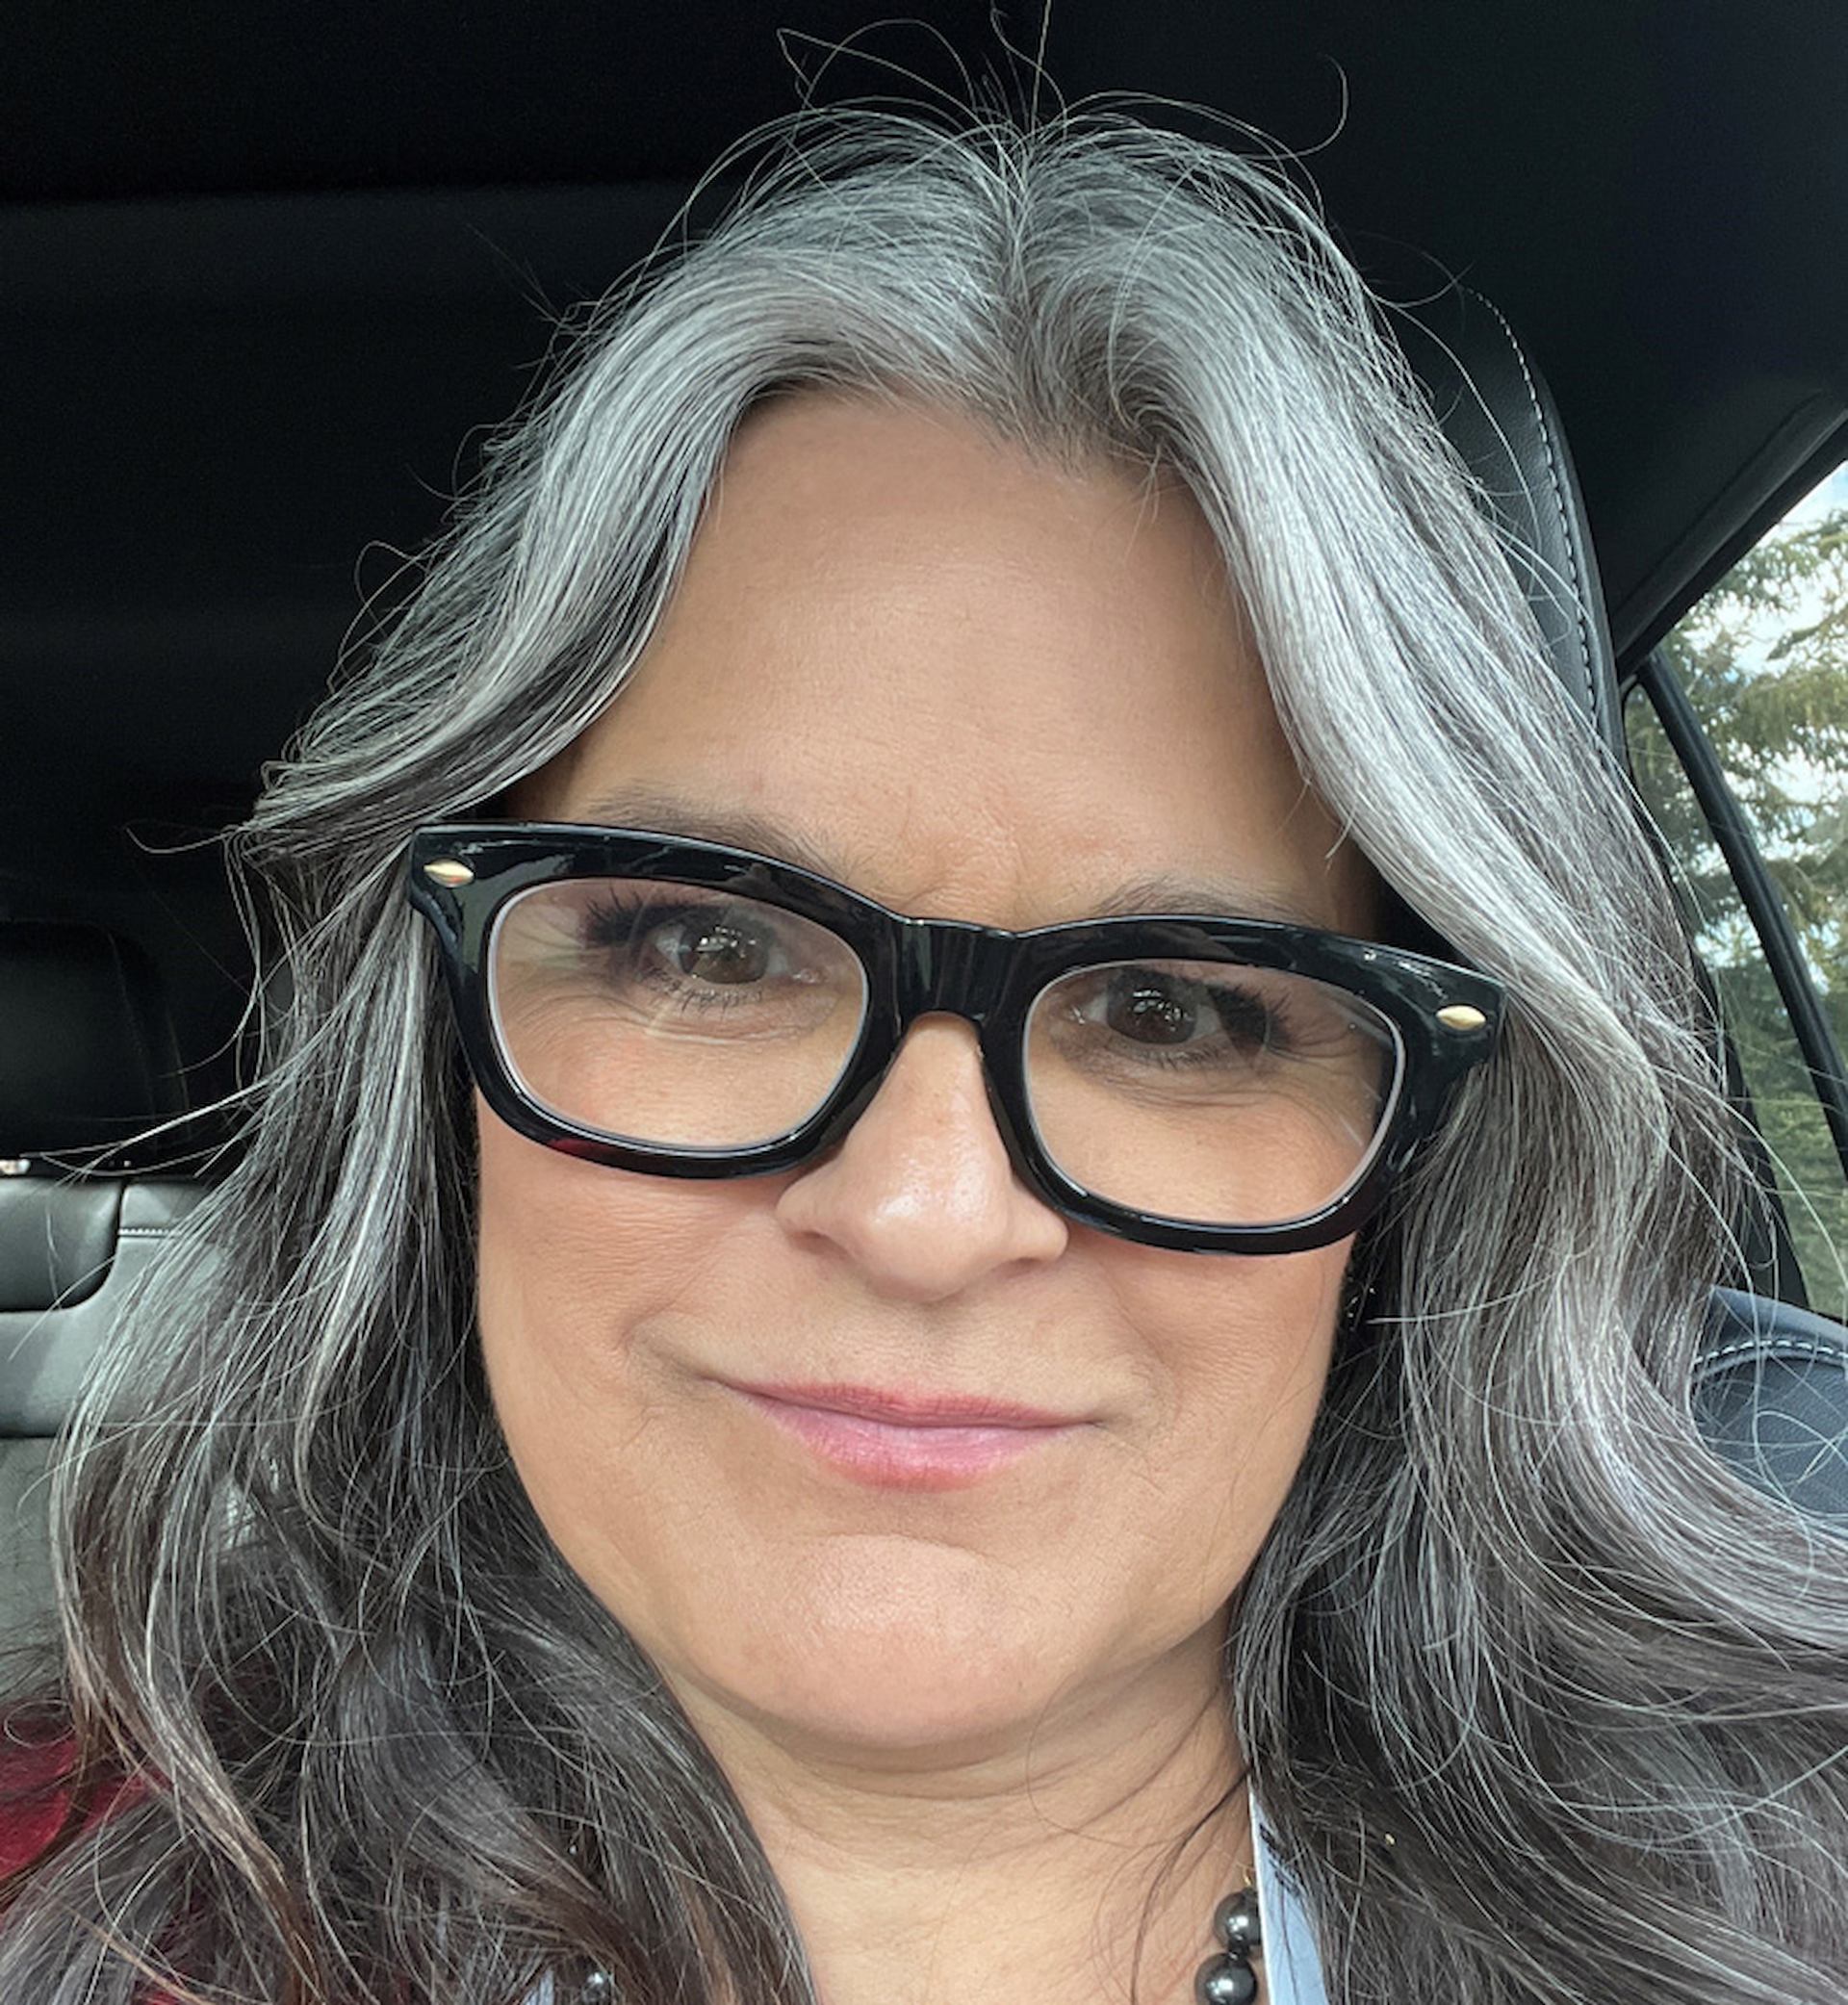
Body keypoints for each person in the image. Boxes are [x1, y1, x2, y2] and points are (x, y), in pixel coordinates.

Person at [3, 101, 1844, 2005]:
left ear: (1419, 1168)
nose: (925, 1212)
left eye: (1178, 1009)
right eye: (706, 947)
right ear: (441, 1056)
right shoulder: (65, 1908)